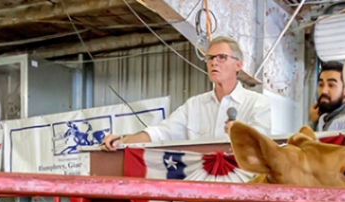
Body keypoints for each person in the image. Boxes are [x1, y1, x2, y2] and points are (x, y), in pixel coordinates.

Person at [100, 36, 272, 149]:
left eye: (221, 57)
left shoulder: (258, 103)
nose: (214, 63)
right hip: (201, 190)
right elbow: (161, 132)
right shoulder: (194, 105)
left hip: (242, 190)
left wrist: (242, 132)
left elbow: (264, 143)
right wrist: (123, 141)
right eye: (210, 58)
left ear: (238, 65)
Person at [310, 61, 345, 132]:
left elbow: (308, 143)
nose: (324, 91)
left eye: (331, 85)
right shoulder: (325, 119)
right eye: (321, 85)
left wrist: (311, 123)